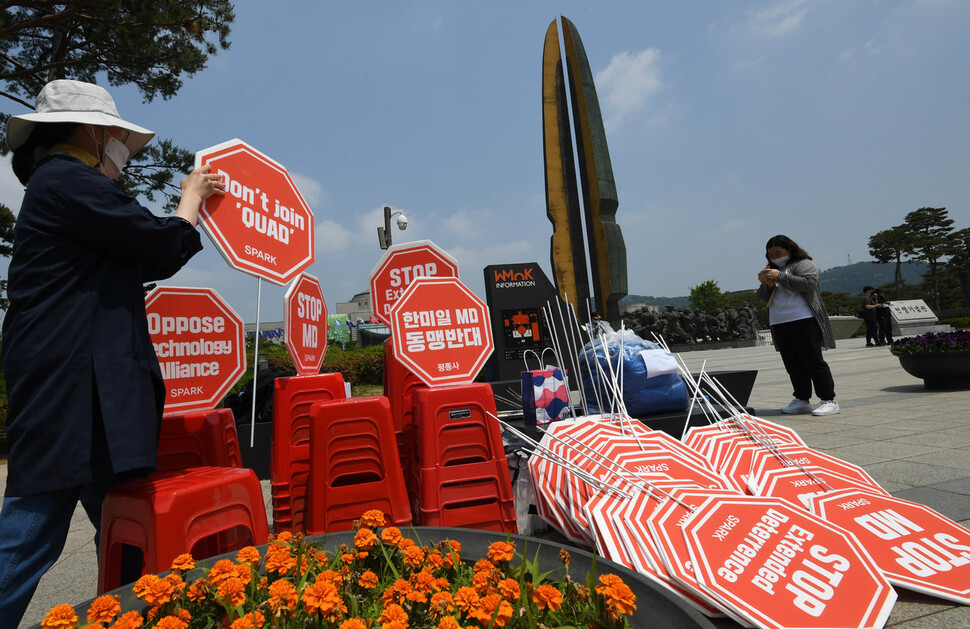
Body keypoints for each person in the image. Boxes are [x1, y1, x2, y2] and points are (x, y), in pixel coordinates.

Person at [0, 79, 225, 625]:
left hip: (87, 394)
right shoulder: (67, 181)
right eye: (115, 135)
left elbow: (141, 257)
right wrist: (190, 198)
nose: (120, 148)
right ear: (96, 131)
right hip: (72, 394)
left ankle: (126, 616)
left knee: (122, 527)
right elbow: (158, 242)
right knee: (34, 528)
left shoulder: (62, 189)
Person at [757, 235, 840, 416]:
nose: (775, 257)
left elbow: (810, 284)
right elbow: (762, 297)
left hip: (803, 318)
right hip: (780, 321)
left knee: (813, 361)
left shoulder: (802, 264)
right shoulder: (771, 269)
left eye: (778, 252)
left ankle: (829, 399)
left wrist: (780, 277)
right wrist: (769, 285)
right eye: (771, 254)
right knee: (792, 364)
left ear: (790, 250)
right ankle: (802, 399)